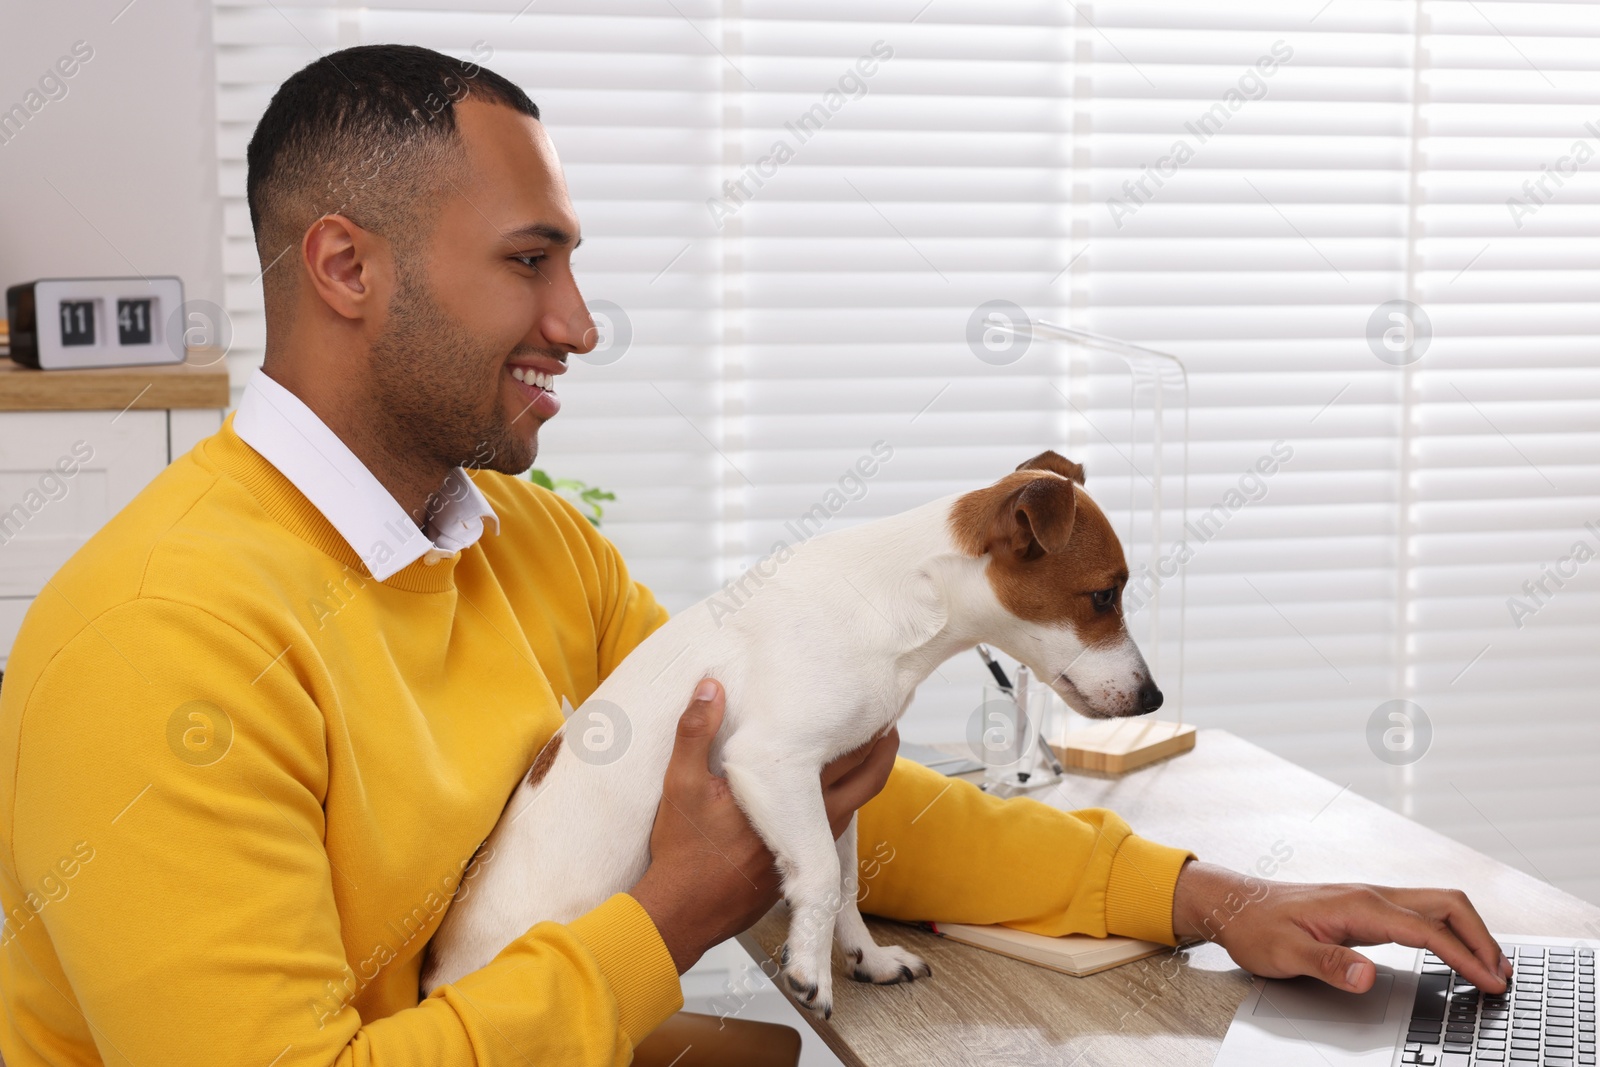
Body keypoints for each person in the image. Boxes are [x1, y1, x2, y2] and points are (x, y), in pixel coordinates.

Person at [0, 44, 1512, 1066]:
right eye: (532, 261)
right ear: (345, 267)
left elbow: (836, 779)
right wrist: (666, 916)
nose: (580, 324)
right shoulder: (160, 637)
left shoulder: (525, 547)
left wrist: (1210, 899)